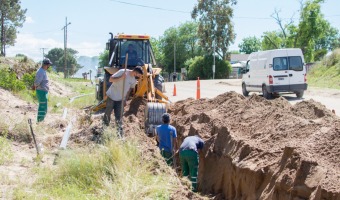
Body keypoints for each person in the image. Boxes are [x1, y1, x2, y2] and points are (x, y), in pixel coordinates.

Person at [32, 58, 52, 122]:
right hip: (41, 91)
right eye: (48, 65)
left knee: (44, 107)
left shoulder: (43, 71)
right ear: (45, 65)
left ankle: (41, 120)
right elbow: (37, 82)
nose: (49, 66)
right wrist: (35, 86)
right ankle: (40, 121)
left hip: (43, 91)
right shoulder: (41, 72)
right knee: (42, 107)